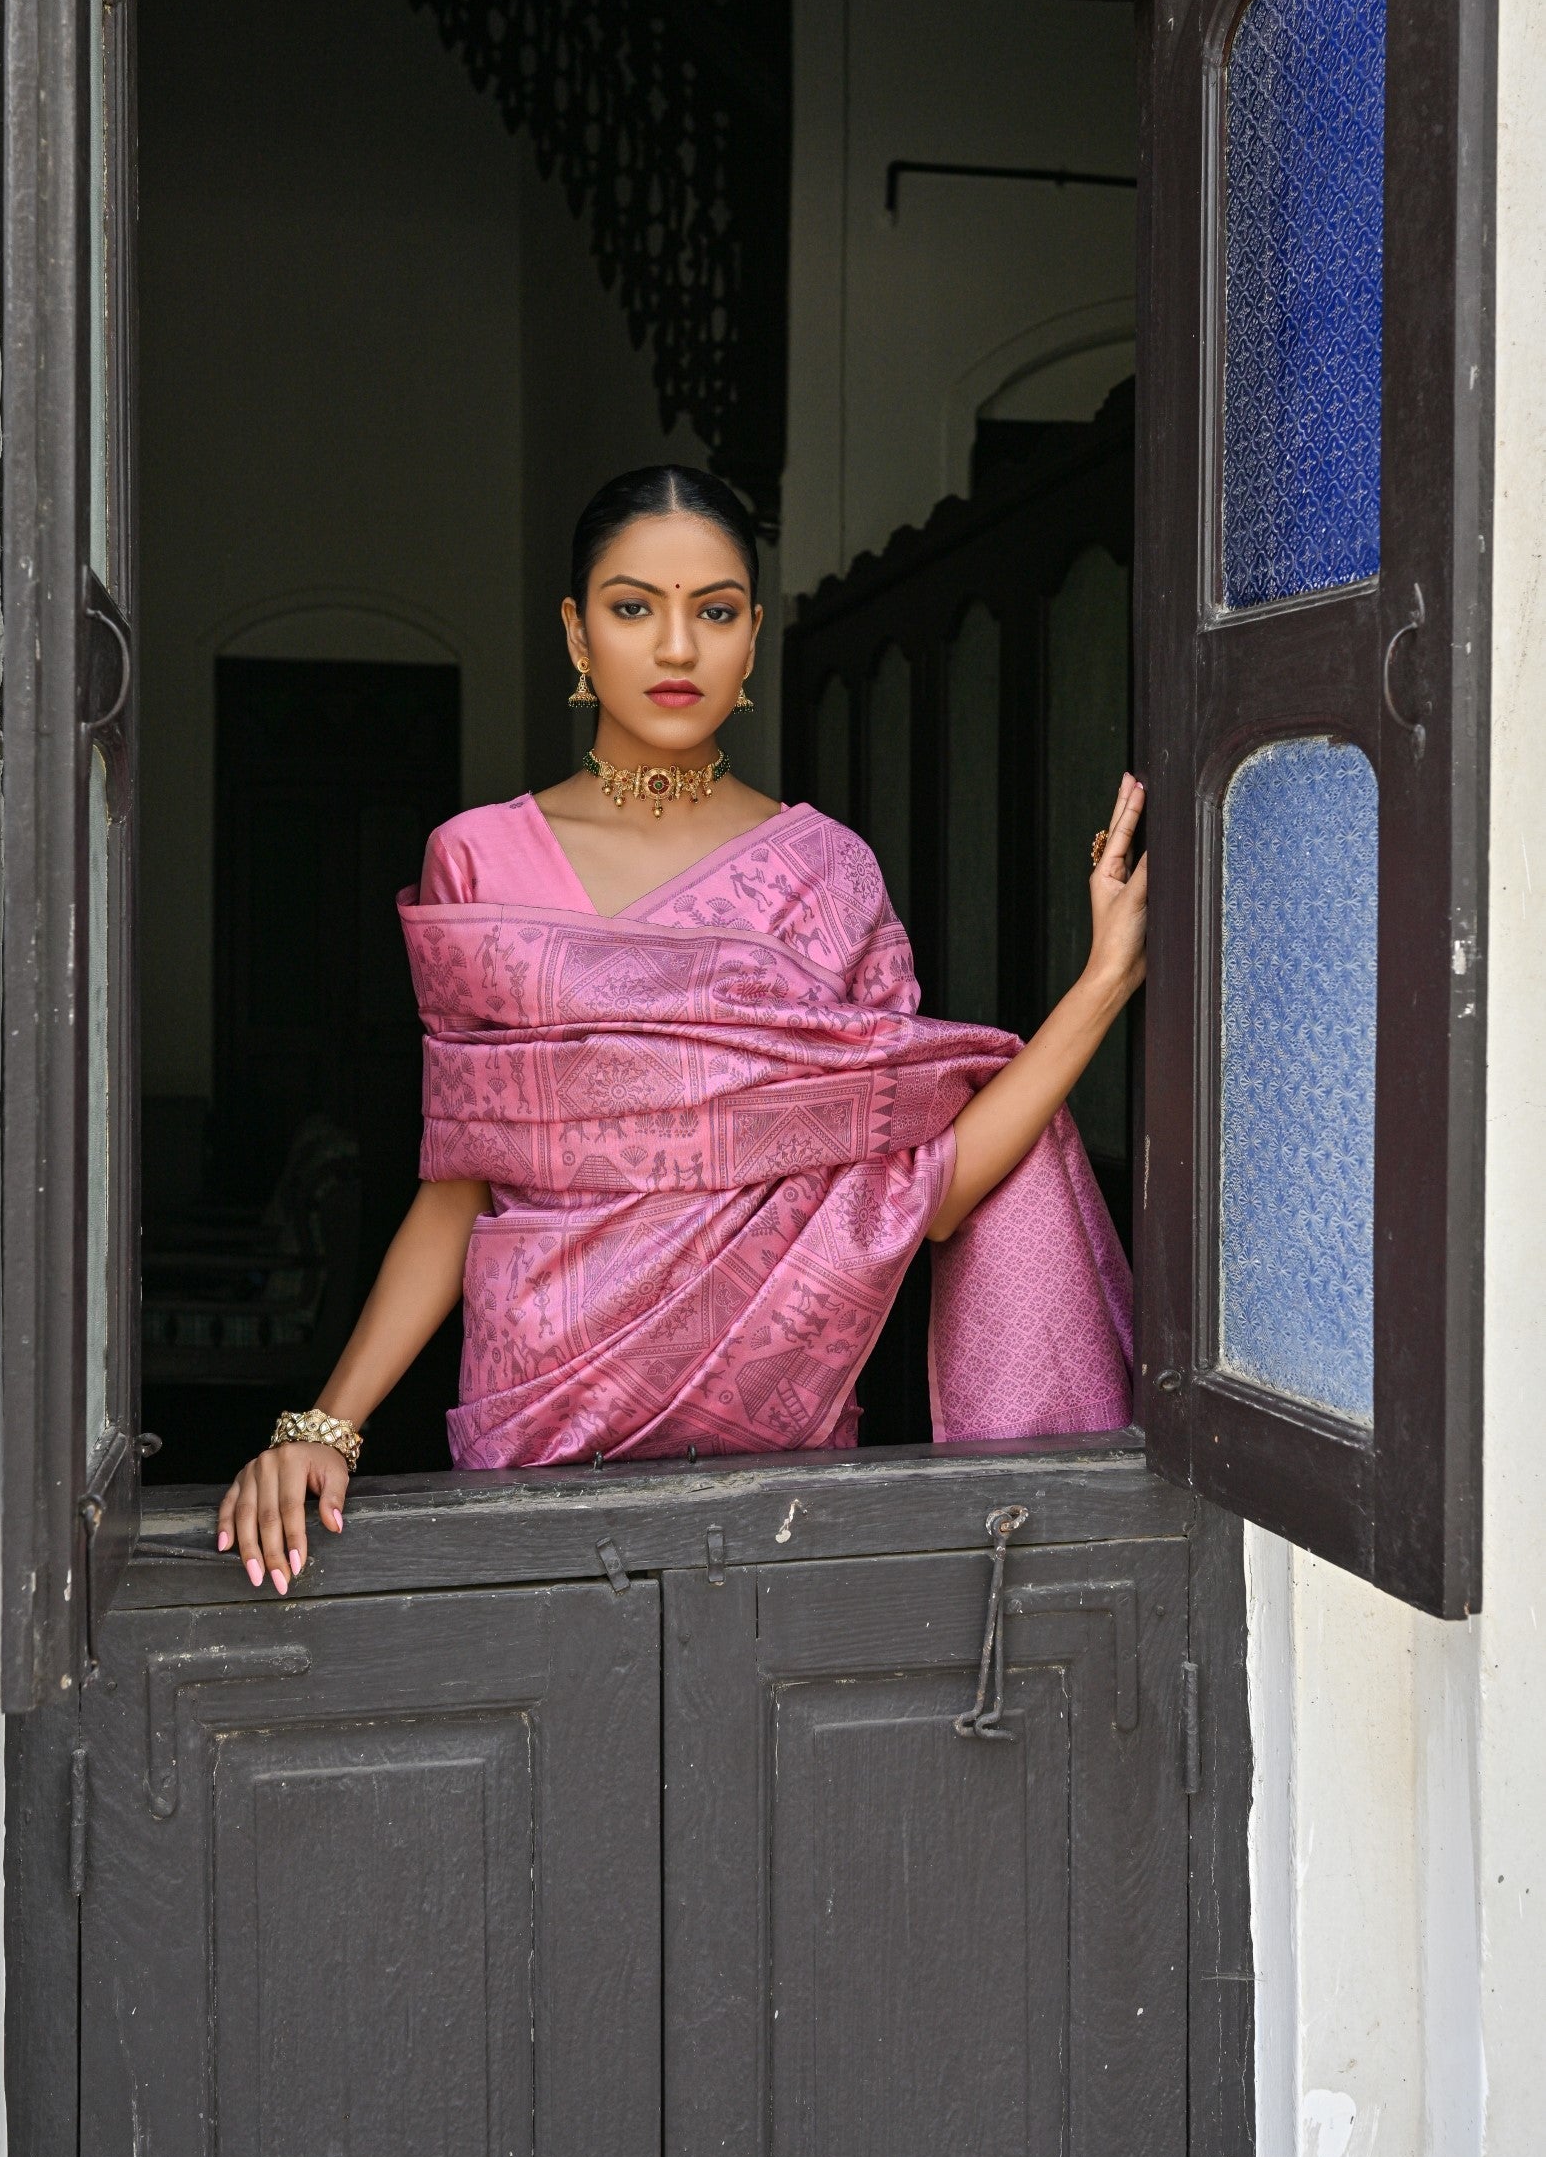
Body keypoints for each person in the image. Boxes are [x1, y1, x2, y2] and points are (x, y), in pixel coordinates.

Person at [217, 464, 1147, 1592]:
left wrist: (1101, 983)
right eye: (631, 607)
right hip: (541, 1427)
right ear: (574, 631)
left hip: (776, 1460)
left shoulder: (825, 876)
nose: (674, 648)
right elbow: (459, 1183)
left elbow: (927, 1188)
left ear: (752, 637)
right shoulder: (481, 860)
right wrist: (326, 1424)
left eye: (712, 612)